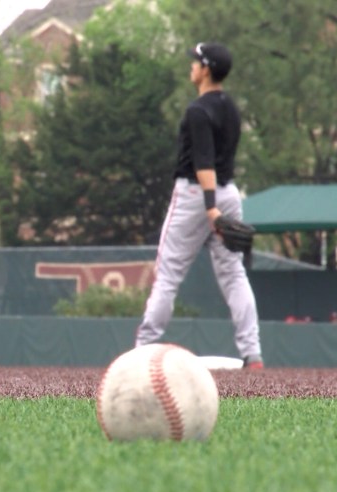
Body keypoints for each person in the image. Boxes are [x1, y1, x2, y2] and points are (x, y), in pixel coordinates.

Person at [135, 42, 263, 369]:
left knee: (167, 276)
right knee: (234, 275)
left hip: (197, 195)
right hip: (230, 193)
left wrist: (210, 208)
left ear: (206, 69)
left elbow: (203, 162)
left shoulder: (198, 110)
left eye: (195, 61)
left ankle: (143, 350)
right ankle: (253, 353)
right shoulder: (232, 108)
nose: (191, 66)